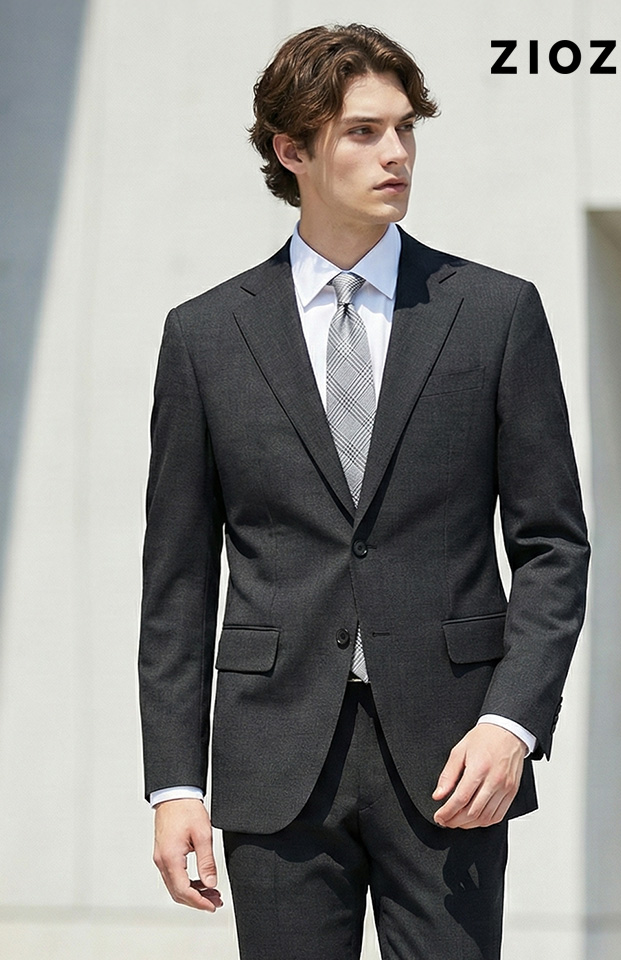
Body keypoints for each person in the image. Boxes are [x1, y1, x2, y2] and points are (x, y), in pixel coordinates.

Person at [139, 23, 590, 960]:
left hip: (455, 756)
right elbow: (177, 582)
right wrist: (175, 784)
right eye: (363, 131)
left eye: (405, 129)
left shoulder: (496, 313)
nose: (397, 154)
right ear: (291, 150)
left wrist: (511, 722)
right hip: (274, 760)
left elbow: (553, 546)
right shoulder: (205, 336)